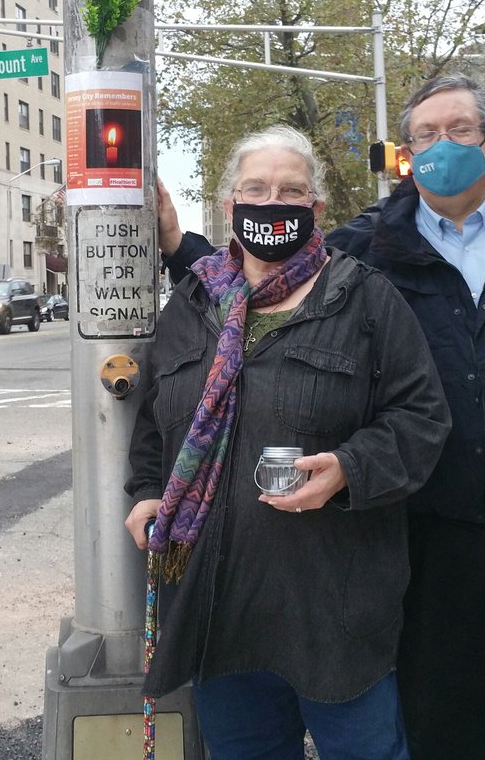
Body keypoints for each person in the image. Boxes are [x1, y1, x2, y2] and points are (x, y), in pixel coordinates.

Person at [158, 76, 485, 758]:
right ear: (405, 153)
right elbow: (266, 279)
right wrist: (179, 248)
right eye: (424, 135)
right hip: (430, 538)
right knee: (442, 733)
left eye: (458, 131)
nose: (441, 146)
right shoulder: (368, 251)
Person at [126, 126, 451, 758]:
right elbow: (152, 425)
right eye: (256, 188)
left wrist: (351, 468)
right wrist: (145, 493)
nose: (272, 201)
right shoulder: (192, 303)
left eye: (291, 190)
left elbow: (421, 417)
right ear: (229, 205)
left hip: (336, 610)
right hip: (221, 613)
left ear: (315, 209)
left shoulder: (365, 299)